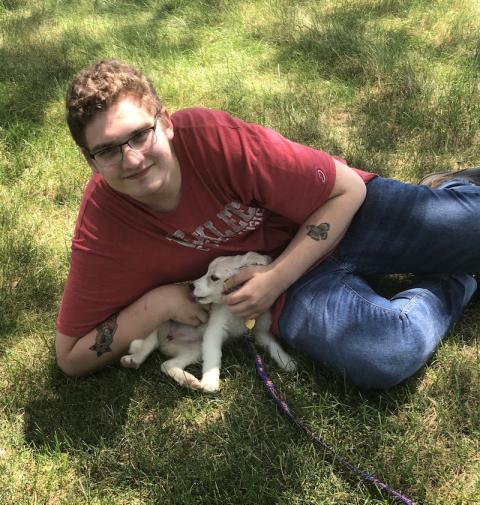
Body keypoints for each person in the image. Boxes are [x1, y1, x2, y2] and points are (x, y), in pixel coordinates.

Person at [56, 59, 480, 389]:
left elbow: (347, 189)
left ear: (165, 123)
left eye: (139, 135)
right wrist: (162, 302)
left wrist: (277, 276)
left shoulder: (213, 139)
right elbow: (71, 356)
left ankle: (450, 190)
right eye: (107, 151)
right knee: (386, 352)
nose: (132, 159)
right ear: (90, 162)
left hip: (339, 213)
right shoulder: (104, 226)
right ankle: (460, 277)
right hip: (291, 294)